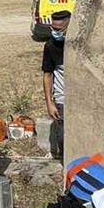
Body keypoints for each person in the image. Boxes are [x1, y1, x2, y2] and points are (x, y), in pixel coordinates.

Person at [42, 10, 70, 161]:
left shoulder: (77, 46)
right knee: (63, 138)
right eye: (52, 28)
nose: (54, 32)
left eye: (58, 30)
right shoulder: (50, 46)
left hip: (78, 102)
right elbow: (47, 75)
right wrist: (49, 103)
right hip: (61, 101)